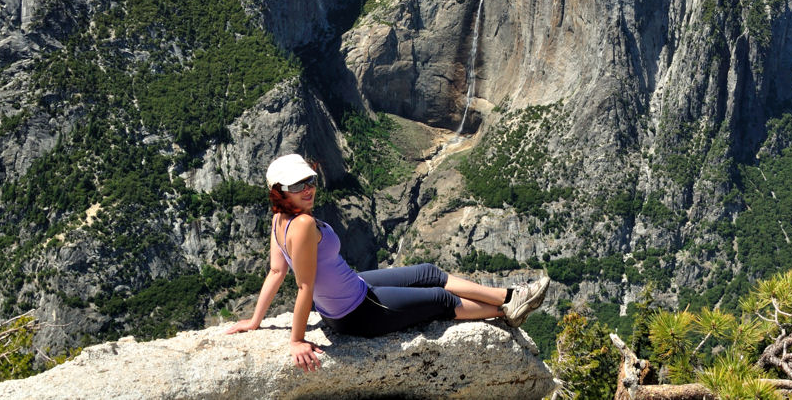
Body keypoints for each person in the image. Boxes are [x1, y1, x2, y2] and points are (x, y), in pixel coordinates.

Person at [226, 153, 550, 370]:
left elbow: (275, 271)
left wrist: (255, 321)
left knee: (428, 272)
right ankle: (505, 311)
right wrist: (296, 340)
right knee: (440, 298)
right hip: (358, 313)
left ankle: (509, 297)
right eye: (297, 186)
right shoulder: (304, 225)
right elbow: (304, 286)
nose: (308, 189)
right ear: (279, 190)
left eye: (309, 181)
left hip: (355, 289)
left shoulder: (279, 219)